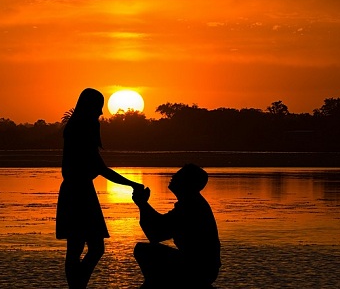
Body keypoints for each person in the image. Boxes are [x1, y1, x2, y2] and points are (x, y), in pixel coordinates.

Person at [56, 88, 144, 289]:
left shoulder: (77, 129)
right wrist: (132, 184)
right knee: (89, 247)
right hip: (78, 193)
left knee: (79, 247)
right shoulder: (80, 130)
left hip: (80, 190)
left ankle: (77, 285)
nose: (101, 113)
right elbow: (101, 169)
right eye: (98, 107)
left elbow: (98, 167)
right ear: (90, 108)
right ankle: (78, 285)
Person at [132, 164, 221, 288]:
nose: (174, 176)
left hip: (200, 269)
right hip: (202, 267)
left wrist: (142, 204)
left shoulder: (190, 207)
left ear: (188, 183)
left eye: (179, 175)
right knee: (145, 250)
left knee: (144, 251)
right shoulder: (191, 203)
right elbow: (159, 227)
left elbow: (156, 233)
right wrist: (143, 204)